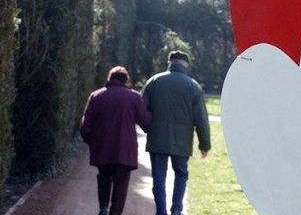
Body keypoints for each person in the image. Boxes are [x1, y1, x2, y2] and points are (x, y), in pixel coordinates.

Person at [142, 50, 211, 215]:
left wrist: (149, 128)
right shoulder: (193, 86)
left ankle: (161, 211)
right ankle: (177, 209)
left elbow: (141, 110)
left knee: (159, 179)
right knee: (181, 174)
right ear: (186, 65)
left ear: (169, 62)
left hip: (157, 138)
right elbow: (201, 118)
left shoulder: (154, 81)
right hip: (182, 140)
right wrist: (204, 144)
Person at [80, 66, 151, 215]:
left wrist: (94, 143)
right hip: (125, 150)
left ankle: (103, 208)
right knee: (121, 184)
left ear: (109, 79)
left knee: (104, 177)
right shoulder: (134, 97)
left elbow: (85, 127)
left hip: (102, 149)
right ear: (126, 80)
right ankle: (115, 212)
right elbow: (145, 121)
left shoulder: (96, 96)